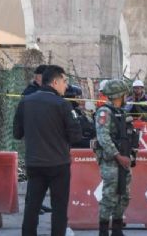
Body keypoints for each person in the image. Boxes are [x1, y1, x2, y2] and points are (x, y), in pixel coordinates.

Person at [13, 65, 81, 236]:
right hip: (59, 164)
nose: (66, 86)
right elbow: (76, 136)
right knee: (59, 208)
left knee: (32, 206)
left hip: (34, 163)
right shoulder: (63, 105)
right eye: (65, 81)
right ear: (55, 82)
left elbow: (17, 133)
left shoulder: (25, 101)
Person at [93, 79, 139, 236]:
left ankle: (117, 230)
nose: (127, 97)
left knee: (123, 196)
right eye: (125, 94)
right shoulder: (104, 112)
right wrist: (118, 156)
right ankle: (103, 231)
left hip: (124, 160)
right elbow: (103, 137)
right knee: (109, 197)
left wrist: (130, 155)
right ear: (120, 95)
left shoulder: (122, 113)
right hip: (111, 161)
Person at [65, 85, 95, 149]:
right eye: (77, 97)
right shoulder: (68, 112)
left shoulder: (77, 111)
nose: (80, 99)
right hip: (74, 146)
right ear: (71, 97)